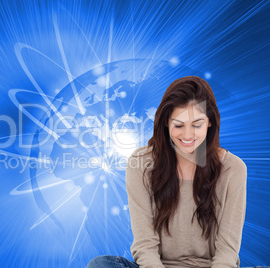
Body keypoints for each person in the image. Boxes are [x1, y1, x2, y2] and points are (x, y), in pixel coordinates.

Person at [87, 76, 267, 268]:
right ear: (166, 122)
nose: (188, 135)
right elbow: (145, 245)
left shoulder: (233, 169)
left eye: (197, 125)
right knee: (101, 264)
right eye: (179, 125)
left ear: (210, 122)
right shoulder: (140, 163)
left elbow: (227, 251)